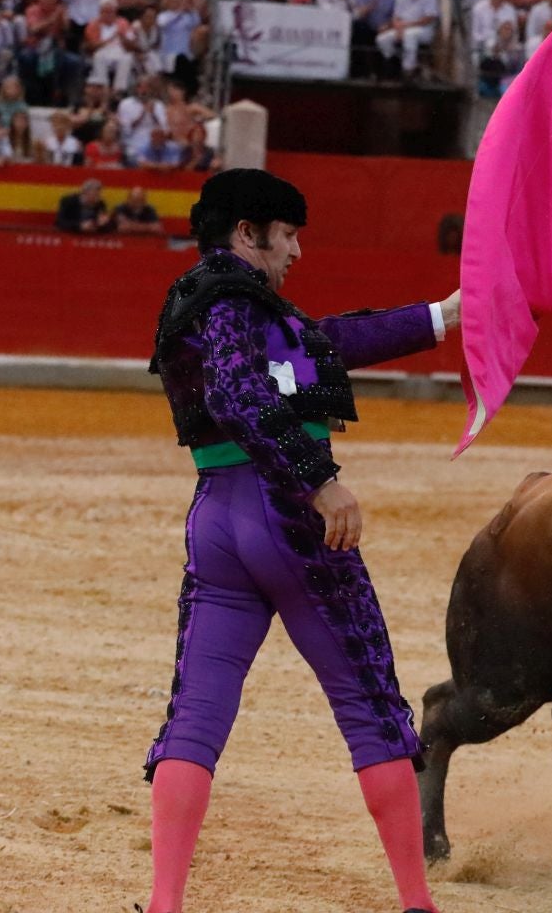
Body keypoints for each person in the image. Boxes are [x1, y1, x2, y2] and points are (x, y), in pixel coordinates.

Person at [140, 169, 459, 913]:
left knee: (195, 714)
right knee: (370, 702)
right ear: (247, 235)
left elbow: (324, 343)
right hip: (287, 519)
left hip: (216, 522)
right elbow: (239, 393)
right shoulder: (233, 304)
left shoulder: (214, 304)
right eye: (287, 235)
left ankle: (165, 904)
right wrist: (319, 480)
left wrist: (442, 317)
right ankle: (418, 904)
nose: (298, 251)